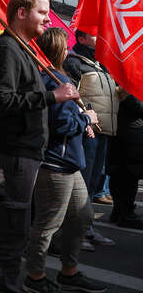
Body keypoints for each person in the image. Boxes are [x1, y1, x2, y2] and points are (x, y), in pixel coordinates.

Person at [0, 0, 80, 293]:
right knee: (12, 228)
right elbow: (0, 99)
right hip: (14, 154)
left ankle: (9, 282)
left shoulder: (22, 49)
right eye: (42, 12)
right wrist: (53, 95)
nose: (48, 19)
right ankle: (6, 286)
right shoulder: (7, 49)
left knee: (19, 225)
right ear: (21, 13)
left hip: (26, 153)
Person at [22, 28, 106, 293]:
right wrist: (85, 120)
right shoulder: (52, 80)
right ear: (59, 49)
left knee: (81, 217)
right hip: (56, 163)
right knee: (48, 224)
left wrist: (83, 121)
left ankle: (68, 273)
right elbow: (60, 124)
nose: (70, 50)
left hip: (70, 163)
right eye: (65, 46)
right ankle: (34, 277)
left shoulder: (58, 77)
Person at [63, 29, 118, 249]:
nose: (101, 36)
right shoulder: (74, 63)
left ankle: (88, 228)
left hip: (104, 129)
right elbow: (72, 96)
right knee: (82, 184)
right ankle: (75, 233)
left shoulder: (100, 63)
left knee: (94, 183)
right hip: (88, 131)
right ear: (82, 39)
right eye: (95, 34)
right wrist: (84, 120)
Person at [107, 91, 143, 229]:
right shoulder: (128, 89)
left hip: (121, 134)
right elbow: (139, 107)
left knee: (121, 175)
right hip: (129, 136)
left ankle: (119, 211)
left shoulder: (122, 86)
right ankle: (126, 214)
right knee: (129, 176)